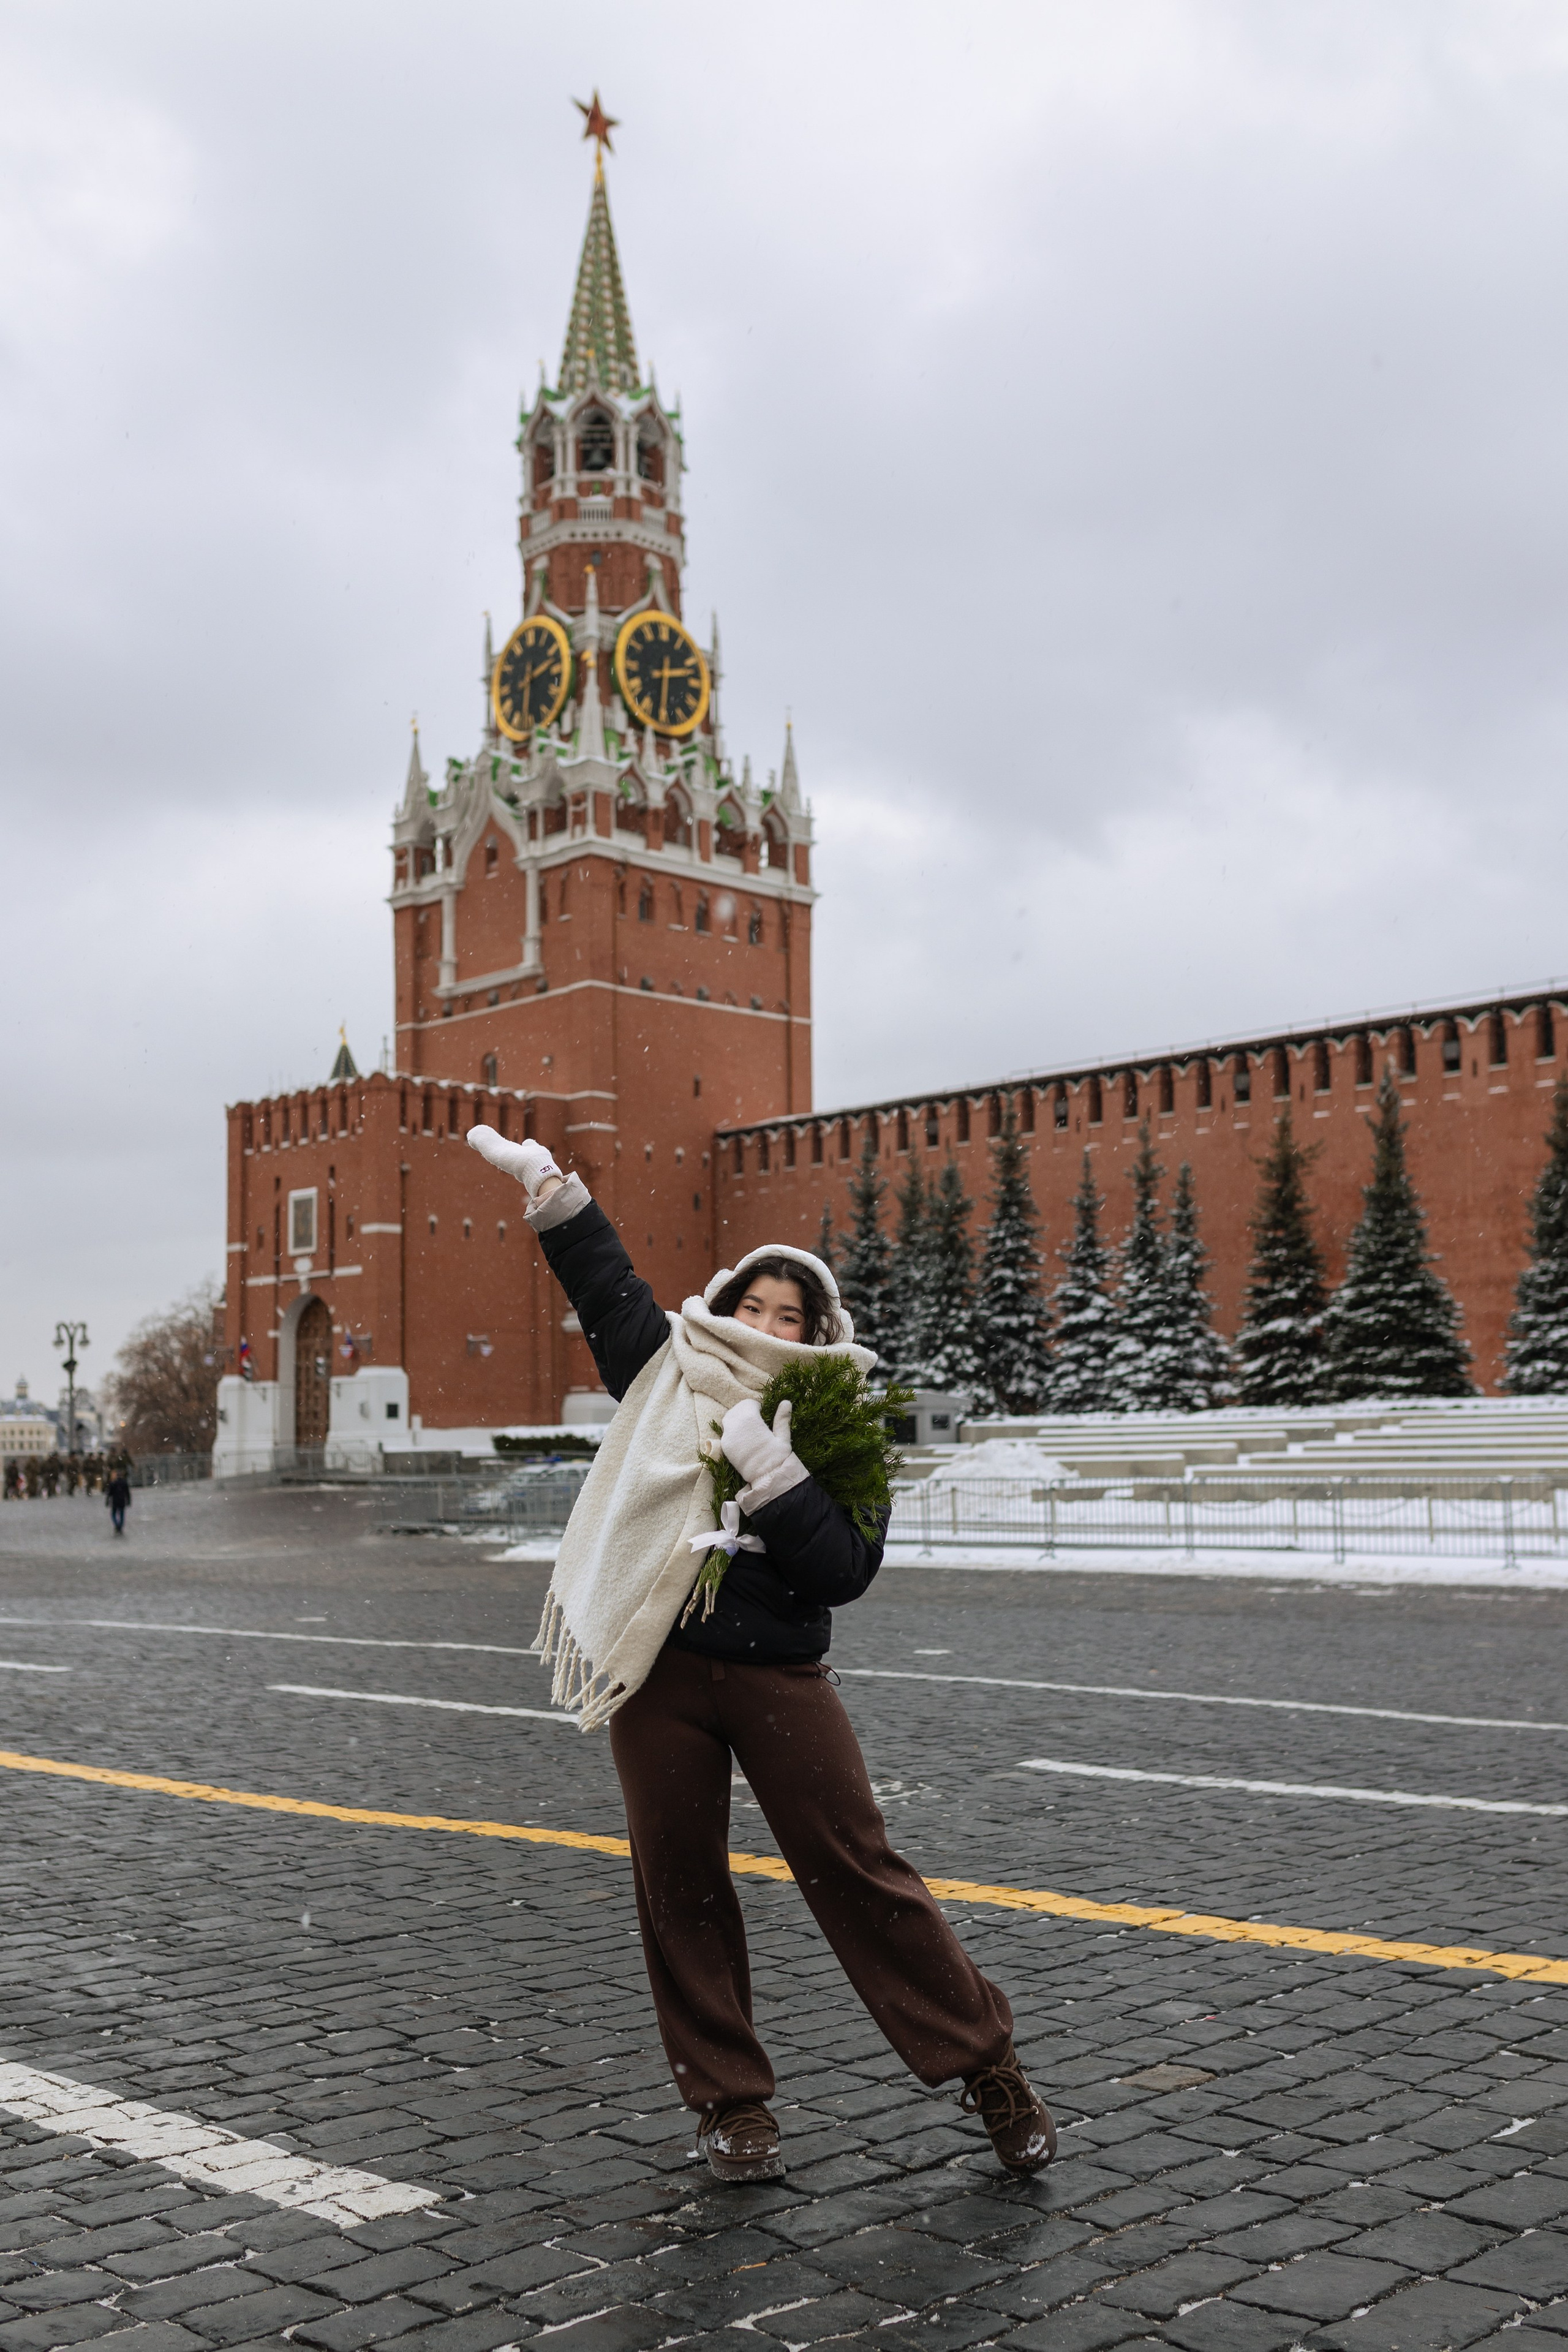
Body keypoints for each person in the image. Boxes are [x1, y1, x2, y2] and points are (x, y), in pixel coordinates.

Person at [466, 1123, 1055, 2185]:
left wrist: (769, 1466)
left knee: (860, 1869)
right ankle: (733, 2106)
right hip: (660, 1674)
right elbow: (608, 1287)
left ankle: (990, 2069)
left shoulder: (837, 1410)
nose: (768, 1324)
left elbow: (842, 1569)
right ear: (724, 1304)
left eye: (793, 1315)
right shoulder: (667, 1370)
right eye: (753, 1305)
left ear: (822, 1330)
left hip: (781, 1675)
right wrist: (555, 1193)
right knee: (679, 1886)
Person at [105, 1468, 131, 1537]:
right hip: (122, 1501)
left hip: (115, 1501)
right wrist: (129, 1500)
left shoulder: (113, 1483)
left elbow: (109, 1493)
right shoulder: (124, 1483)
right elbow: (127, 1493)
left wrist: (107, 1501)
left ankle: (117, 1525)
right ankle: (120, 1526)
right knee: (122, 1514)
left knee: (114, 1514)